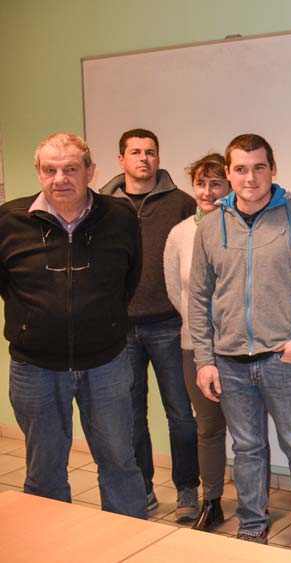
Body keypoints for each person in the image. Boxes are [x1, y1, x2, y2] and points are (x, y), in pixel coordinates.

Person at [188, 134, 291, 555]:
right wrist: (205, 359)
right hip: (230, 361)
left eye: (258, 167)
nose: (249, 177)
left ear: (273, 169)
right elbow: (198, 297)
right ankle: (252, 525)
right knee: (248, 449)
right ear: (229, 173)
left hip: (283, 359)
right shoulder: (211, 226)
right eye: (240, 168)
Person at [0, 133, 146, 518]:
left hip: (106, 364)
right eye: (50, 170)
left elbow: (129, 278)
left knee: (119, 462)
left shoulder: (120, 217)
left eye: (70, 169)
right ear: (38, 172)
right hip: (34, 368)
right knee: (44, 471)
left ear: (90, 171)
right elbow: (7, 286)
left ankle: (128, 544)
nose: (59, 178)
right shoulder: (9, 221)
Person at [100, 128, 199, 519]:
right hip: (119, 329)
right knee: (130, 414)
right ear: (121, 159)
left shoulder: (182, 204)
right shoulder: (101, 206)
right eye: (136, 152)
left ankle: (188, 489)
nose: (144, 159)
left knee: (180, 413)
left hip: (170, 325)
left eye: (151, 152)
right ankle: (142, 488)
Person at [163, 153, 232, 531]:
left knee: (250, 428)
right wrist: (200, 326)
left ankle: (258, 504)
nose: (207, 192)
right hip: (196, 345)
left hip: (240, 347)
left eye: (216, 183)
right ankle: (213, 501)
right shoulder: (179, 234)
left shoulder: (240, 227)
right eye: (201, 184)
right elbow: (177, 291)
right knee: (207, 428)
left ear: (230, 186)